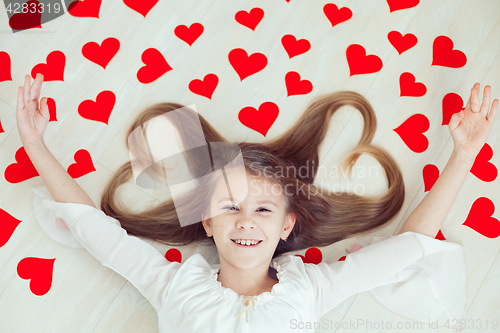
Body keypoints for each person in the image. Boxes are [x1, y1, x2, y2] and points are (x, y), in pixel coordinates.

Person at [17, 73, 497, 332]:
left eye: (263, 209)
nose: (245, 219)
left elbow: (410, 244)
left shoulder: (313, 288)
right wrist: (36, 146)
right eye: (229, 206)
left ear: (287, 225)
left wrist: (463, 154)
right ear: (206, 222)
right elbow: (94, 230)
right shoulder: (172, 284)